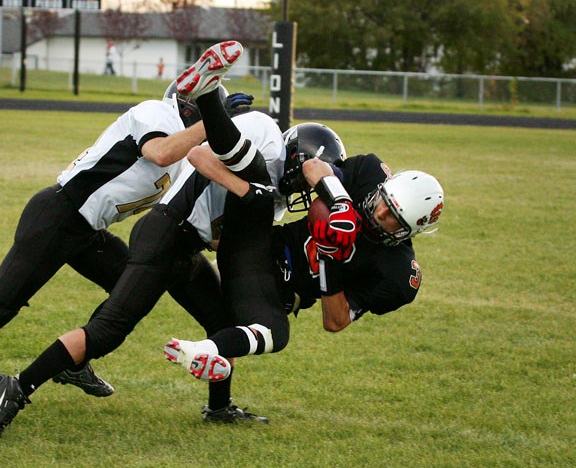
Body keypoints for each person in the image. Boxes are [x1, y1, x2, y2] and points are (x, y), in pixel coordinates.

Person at [0, 69, 253, 418]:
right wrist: (213, 120)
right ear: (192, 109)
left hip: (87, 230)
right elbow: (158, 152)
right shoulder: (154, 112)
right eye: (210, 118)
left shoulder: (181, 149)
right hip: (57, 216)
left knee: (128, 293)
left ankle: (75, 363)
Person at [0, 40, 289, 439]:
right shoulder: (232, 143)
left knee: (222, 321)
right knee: (110, 329)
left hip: (184, 243)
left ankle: (219, 407)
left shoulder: (251, 161)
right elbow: (202, 166)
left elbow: (218, 232)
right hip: (165, 236)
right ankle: (16, 386)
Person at [163, 113, 445, 382]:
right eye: (385, 202)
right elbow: (313, 167)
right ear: (384, 187)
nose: (381, 214)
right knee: (272, 331)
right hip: (263, 245)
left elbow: (335, 321)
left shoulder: (397, 274)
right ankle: (181, 239)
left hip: (281, 289)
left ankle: (205, 357)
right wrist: (341, 203)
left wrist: (329, 260)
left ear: (411, 232)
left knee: (255, 328)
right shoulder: (369, 174)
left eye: (394, 220)